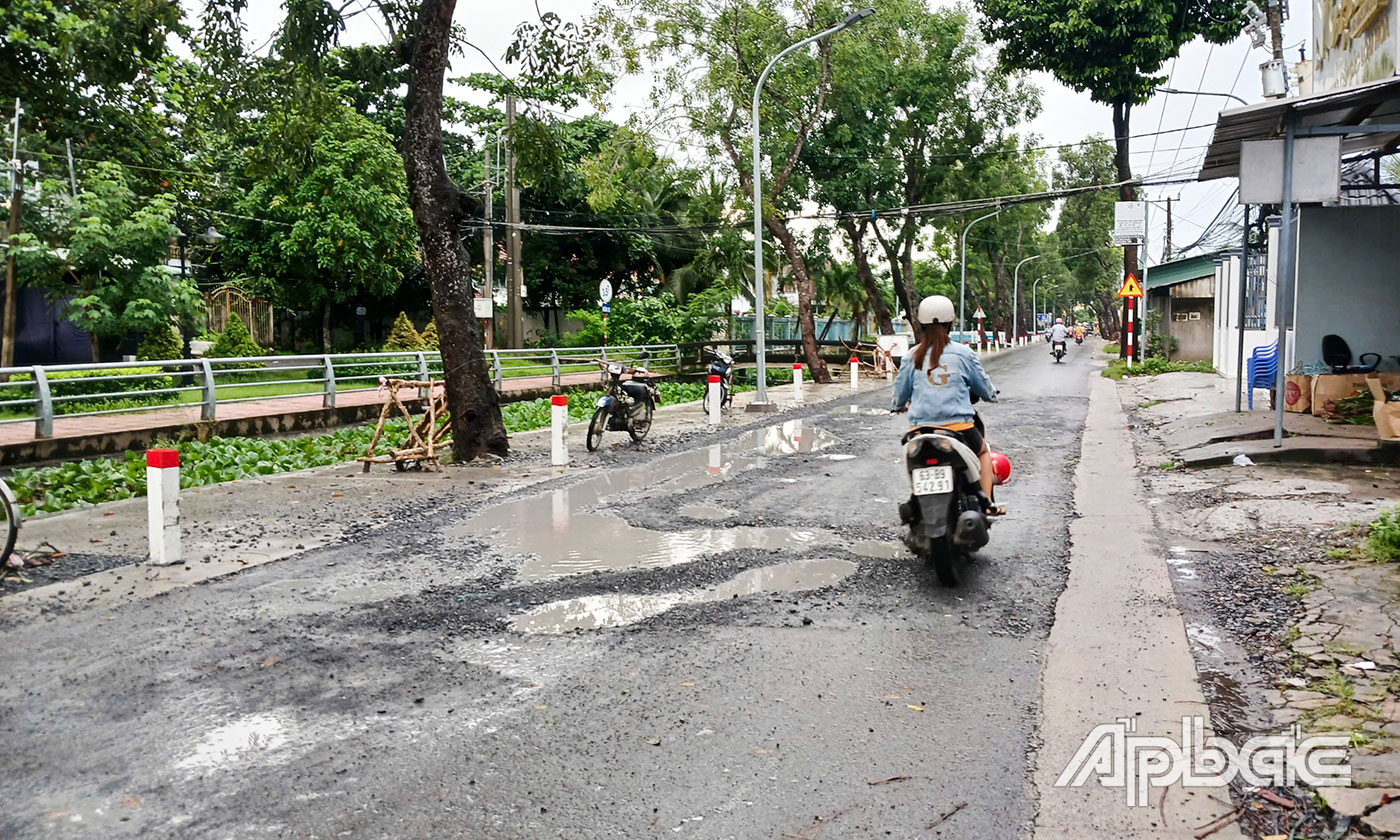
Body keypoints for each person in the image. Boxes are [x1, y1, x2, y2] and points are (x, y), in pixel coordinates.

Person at [892, 295, 1004, 515]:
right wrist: (991, 395)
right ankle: (987, 504)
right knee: (984, 452)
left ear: (921, 324)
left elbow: (901, 393)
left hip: (920, 431)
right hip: (959, 429)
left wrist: (897, 405)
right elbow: (982, 386)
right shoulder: (963, 353)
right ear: (951, 323)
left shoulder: (911, 356)